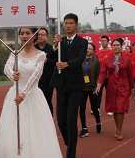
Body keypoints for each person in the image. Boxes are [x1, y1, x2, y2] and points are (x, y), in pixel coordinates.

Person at [0, 28, 62, 158]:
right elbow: (7, 68)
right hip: (14, 95)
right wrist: (13, 75)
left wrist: (24, 93)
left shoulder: (40, 55)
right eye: (22, 33)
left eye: (28, 33)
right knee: (12, 130)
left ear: (34, 36)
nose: (24, 36)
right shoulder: (15, 53)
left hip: (32, 96)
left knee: (35, 131)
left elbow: (36, 75)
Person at [51, 13, 88, 158]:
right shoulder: (60, 41)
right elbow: (52, 56)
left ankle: (71, 153)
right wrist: (55, 44)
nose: (67, 25)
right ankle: (69, 141)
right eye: (65, 23)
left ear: (76, 25)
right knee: (61, 120)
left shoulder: (82, 42)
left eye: (71, 23)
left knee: (71, 119)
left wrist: (66, 64)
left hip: (75, 85)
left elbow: (80, 59)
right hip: (61, 84)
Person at [95, 38, 135, 141]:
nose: (115, 47)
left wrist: (132, 88)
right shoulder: (108, 59)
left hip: (123, 86)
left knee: (120, 107)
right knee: (114, 108)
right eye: (113, 45)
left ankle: (120, 130)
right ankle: (118, 128)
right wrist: (99, 84)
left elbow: (130, 74)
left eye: (117, 45)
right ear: (111, 47)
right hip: (111, 85)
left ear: (121, 47)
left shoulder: (126, 59)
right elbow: (103, 73)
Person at [79, 43, 101, 137]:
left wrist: (96, 87)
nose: (87, 50)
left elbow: (98, 75)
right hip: (82, 88)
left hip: (92, 88)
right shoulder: (80, 60)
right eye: (86, 48)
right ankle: (84, 127)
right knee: (82, 108)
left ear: (93, 51)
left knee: (94, 108)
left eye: (90, 48)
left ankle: (98, 122)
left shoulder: (96, 62)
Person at [35, 28, 56, 115]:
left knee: (47, 102)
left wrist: (47, 61)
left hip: (47, 80)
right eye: (38, 35)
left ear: (47, 37)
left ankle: (49, 121)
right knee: (35, 103)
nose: (40, 36)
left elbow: (57, 61)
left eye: (42, 35)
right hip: (35, 81)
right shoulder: (33, 48)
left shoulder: (51, 49)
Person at [96, 35, 114, 115]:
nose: (102, 42)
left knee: (110, 93)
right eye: (101, 41)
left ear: (108, 42)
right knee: (98, 92)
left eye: (104, 41)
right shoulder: (98, 54)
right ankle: (97, 108)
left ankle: (111, 109)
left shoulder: (111, 52)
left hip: (110, 76)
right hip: (101, 77)